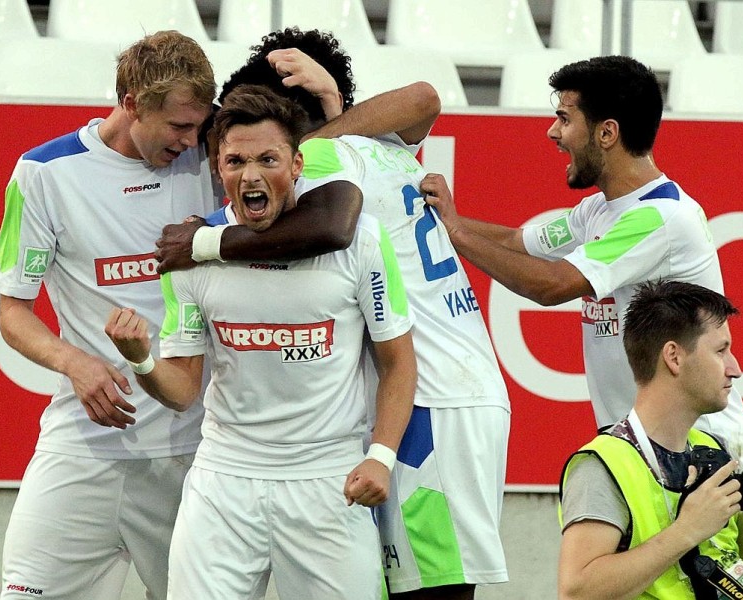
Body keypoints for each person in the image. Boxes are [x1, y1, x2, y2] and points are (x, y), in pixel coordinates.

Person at [157, 27, 512, 600]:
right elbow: (425, 97)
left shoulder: (320, 159)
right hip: (457, 384)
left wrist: (203, 243)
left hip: (432, 395)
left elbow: (326, 230)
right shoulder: (381, 146)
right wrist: (335, 110)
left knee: (432, 591)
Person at [105, 85, 417, 599]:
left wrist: (380, 456)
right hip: (224, 485)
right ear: (218, 168)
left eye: (267, 159)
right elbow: (183, 391)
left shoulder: (361, 242)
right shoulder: (188, 254)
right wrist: (141, 360)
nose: (250, 175)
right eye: (235, 161)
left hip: (328, 483)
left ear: (297, 165)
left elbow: (398, 363)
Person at [422, 55, 743, 468]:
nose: (553, 132)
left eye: (564, 119)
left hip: (698, 447)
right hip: (648, 443)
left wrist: (455, 233)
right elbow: (517, 242)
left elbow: (552, 285)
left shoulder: (660, 217)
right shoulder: (599, 209)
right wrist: (439, 219)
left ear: (607, 133)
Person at [0, 31, 219, 600]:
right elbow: (13, 311)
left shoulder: (216, 161)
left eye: (199, 124)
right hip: (82, 443)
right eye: (178, 127)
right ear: (132, 102)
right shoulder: (42, 173)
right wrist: (76, 363)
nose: (193, 140)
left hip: (193, 451)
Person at [558, 280, 743, 599]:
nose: (734, 369)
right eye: (721, 351)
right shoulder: (603, 466)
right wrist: (686, 531)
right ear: (674, 357)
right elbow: (577, 592)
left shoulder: (711, 452)